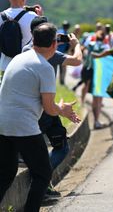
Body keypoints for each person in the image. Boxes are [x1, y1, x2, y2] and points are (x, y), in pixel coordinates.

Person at [0, 23, 80, 212]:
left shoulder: (19, 58)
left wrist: (57, 108)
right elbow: (50, 109)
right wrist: (64, 109)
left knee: (6, 174)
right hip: (23, 126)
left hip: (3, 123)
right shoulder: (44, 67)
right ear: (54, 44)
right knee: (43, 173)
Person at [22, 16, 83, 198]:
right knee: (61, 146)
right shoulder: (51, 53)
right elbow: (77, 61)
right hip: (47, 107)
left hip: (30, 108)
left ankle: (41, 181)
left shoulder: (25, 50)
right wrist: (76, 44)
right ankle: (42, 182)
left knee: (36, 147)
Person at [0, 0, 38, 85]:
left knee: (5, 96)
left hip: (5, 66)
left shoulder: (1, 16)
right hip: (26, 66)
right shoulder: (33, 16)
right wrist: (40, 17)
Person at [55, 20, 71, 85]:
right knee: (63, 69)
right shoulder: (67, 34)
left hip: (55, 52)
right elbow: (68, 44)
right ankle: (62, 81)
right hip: (62, 54)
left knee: (54, 67)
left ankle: (57, 81)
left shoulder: (59, 32)